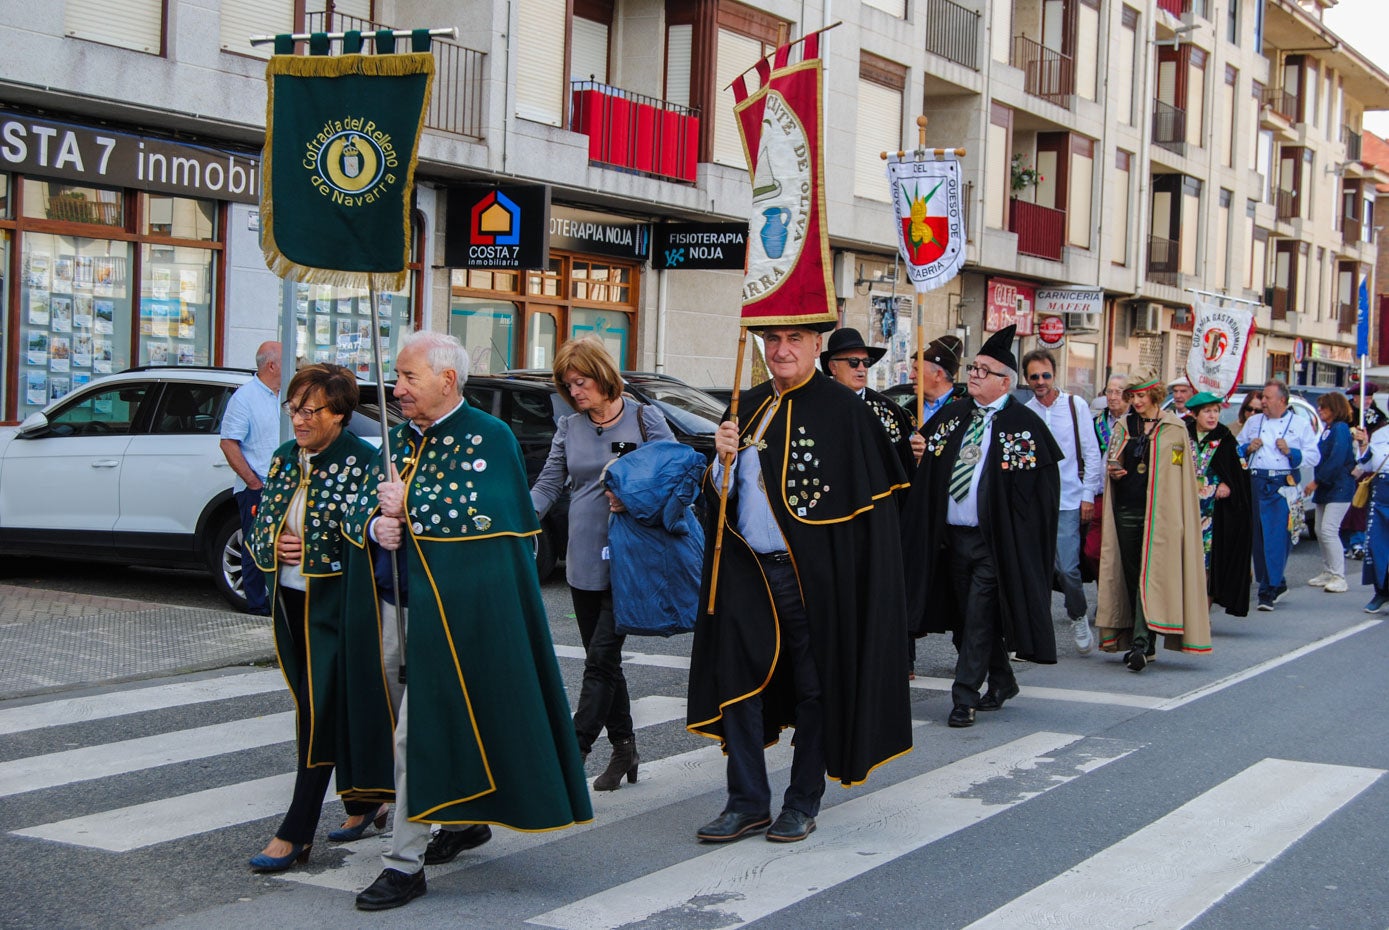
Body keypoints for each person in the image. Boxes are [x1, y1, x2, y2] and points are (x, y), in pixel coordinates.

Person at [340, 331, 591, 911]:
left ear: (447, 379)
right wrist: (375, 524)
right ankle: (461, 816)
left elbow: (490, 512)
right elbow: (362, 504)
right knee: (413, 726)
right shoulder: (395, 440)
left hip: (457, 619)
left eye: (408, 377)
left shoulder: (491, 436)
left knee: (416, 735)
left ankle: (404, 864)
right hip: (394, 605)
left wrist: (413, 510)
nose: (397, 388)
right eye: (398, 377)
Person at [687, 324, 911, 845]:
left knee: (816, 687)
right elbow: (722, 501)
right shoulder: (747, 404)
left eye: (794, 339)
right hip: (747, 570)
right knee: (738, 686)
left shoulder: (844, 411)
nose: (781, 350)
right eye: (773, 341)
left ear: (817, 347)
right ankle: (746, 802)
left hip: (812, 577)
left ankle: (802, 800)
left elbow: (870, 517)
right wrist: (720, 464)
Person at [243, 364, 383, 871]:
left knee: (317, 711)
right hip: (290, 602)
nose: (298, 420)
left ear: (340, 415)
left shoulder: (367, 461)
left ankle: (296, 830)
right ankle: (367, 799)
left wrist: (315, 544)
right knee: (321, 703)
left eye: (309, 410)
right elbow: (260, 525)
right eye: (294, 409)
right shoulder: (285, 459)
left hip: (338, 606)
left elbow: (365, 534)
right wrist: (274, 540)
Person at [530, 337, 674, 791]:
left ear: (603, 374)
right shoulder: (569, 427)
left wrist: (634, 495)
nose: (575, 391)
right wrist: (509, 523)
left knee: (599, 660)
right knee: (605, 661)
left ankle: (573, 752)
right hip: (584, 557)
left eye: (582, 381)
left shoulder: (643, 417)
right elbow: (548, 486)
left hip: (631, 558)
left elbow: (676, 473)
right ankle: (626, 747)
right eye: (568, 385)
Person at [901, 325, 1061, 728]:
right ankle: (1003, 680)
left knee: (978, 615)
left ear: (1005, 381)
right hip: (952, 540)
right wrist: (919, 453)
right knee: (964, 620)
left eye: (983, 370)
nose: (973, 374)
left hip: (995, 544)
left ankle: (964, 697)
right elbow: (929, 469)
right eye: (973, 368)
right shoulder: (954, 414)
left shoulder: (1025, 426)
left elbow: (1038, 499)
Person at [1096, 371, 1209, 670]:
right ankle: (1143, 642)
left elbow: (1180, 474)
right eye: (1132, 396)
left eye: (1141, 396)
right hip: (1127, 509)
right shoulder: (1123, 425)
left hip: (1162, 514)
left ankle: (1141, 644)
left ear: (1155, 396)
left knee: (1152, 576)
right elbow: (1112, 459)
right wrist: (1114, 468)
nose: (1135, 402)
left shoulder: (1174, 428)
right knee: (1133, 576)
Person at [1022, 349, 1102, 654]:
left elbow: (1091, 452)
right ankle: (1033, 631)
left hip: (1069, 499)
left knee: (1068, 568)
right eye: (1034, 377)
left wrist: (1087, 495)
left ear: (1054, 375)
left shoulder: (1074, 405)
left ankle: (1078, 614)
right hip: (1035, 504)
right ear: (1027, 379)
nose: (1040, 382)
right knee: (1037, 569)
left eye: (1045, 375)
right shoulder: (1026, 410)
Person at [1237, 380, 1321, 611]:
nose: (1262, 402)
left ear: (1282, 401)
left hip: (1282, 484)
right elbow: (1236, 447)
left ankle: (1268, 589)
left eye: (1267, 398)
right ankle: (1275, 580)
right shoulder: (1254, 422)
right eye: (1263, 397)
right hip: (1256, 481)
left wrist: (1291, 452)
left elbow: (1314, 456)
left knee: (1276, 537)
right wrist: (1247, 449)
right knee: (1258, 538)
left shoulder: (1300, 424)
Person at [219, 341, 282, 616]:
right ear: (271, 365)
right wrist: (255, 483)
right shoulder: (245, 398)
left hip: (286, 486)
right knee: (256, 545)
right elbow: (228, 443)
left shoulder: (287, 396)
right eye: (286, 359)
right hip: (257, 485)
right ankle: (257, 605)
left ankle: (281, 601)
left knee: (283, 546)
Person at [1185, 392, 1252, 617]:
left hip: (1212, 513)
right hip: (1185, 507)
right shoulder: (1182, 435)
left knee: (1207, 563)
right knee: (1184, 562)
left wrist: (1227, 483)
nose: (1212, 416)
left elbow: (1239, 472)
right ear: (1194, 414)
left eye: (1215, 411)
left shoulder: (1225, 438)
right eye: (1207, 411)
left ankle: (1201, 617)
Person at [820, 327, 916, 477]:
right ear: (833, 367)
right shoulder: (817, 405)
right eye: (853, 362)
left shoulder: (888, 410)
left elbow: (903, 464)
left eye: (866, 362)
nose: (862, 368)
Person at [1304, 392, 1356, 593]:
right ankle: (1327, 570)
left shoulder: (1340, 429)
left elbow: (1336, 458)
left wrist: (1317, 481)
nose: (1320, 410)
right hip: (1328, 487)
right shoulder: (1328, 429)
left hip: (1339, 486)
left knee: (1328, 530)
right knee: (1319, 529)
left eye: (1323, 407)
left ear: (1334, 408)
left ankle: (1338, 575)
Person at [907, 334, 966, 464]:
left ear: (938, 375)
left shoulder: (964, 411)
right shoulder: (906, 408)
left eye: (917, 370)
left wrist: (930, 453)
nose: (911, 376)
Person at [1352, 422, 1389, 612]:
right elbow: (1367, 464)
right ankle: (1381, 591)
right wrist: (1363, 444)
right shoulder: (1381, 433)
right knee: (1376, 544)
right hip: (1382, 490)